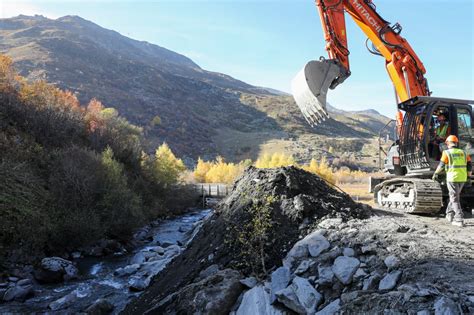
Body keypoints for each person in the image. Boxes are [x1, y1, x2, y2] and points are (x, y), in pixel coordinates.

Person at [432, 135, 472, 227]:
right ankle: (449, 214)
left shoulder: (446, 153)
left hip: (452, 178)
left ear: (448, 143)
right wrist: (469, 176)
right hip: (462, 178)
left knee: (454, 198)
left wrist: (436, 173)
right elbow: (469, 166)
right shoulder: (464, 153)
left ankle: (459, 219)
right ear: (456, 143)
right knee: (454, 196)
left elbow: (441, 165)